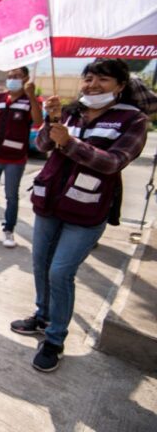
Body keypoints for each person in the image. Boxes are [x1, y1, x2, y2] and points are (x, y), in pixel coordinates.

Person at [12, 58, 148, 372]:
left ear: (120, 86)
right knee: (41, 264)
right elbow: (46, 145)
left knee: (61, 272)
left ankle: (55, 339)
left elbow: (114, 162)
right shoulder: (72, 110)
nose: (93, 85)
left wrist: (71, 143)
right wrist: (51, 120)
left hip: (88, 209)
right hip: (50, 202)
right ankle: (42, 316)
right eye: (88, 79)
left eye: (102, 80)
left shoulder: (133, 120)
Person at [0, 66, 42, 248]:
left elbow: (38, 122)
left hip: (14, 158)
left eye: (17, 76)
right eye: (10, 76)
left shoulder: (30, 101)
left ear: (26, 78)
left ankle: (8, 230)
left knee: (11, 196)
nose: (13, 79)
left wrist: (31, 96)